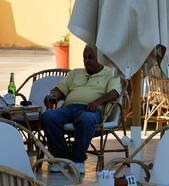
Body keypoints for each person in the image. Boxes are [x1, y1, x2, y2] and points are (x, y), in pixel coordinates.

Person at [41, 46, 120, 176]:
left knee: (86, 119)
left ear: (100, 58)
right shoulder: (75, 73)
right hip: (69, 108)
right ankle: (62, 159)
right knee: (48, 116)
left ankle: (77, 160)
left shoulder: (110, 74)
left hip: (90, 109)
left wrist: (97, 102)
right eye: (84, 57)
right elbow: (60, 90)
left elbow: (114, 93)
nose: (86, 61)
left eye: (91, 57)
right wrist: (52, 95)